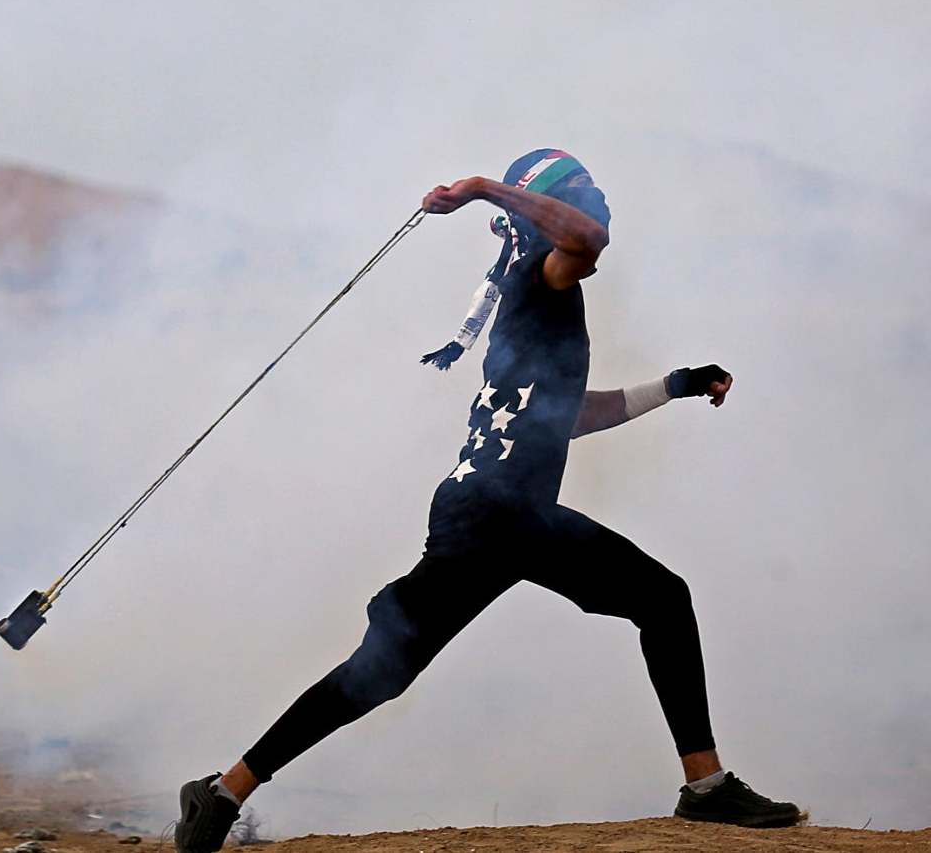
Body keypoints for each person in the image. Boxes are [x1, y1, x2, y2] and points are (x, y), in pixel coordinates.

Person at [173, 150, 800, 851]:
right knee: (663, 598)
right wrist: (483, 190)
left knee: (379, 673)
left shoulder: (532, 302)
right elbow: (588, 242)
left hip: (485, 515)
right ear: (546, 214)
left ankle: (221, 793)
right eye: (580, 196)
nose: (598, 207)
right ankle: (707, 789)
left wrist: (675, 385)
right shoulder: (544, 275)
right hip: (504, 511)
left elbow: (569, 415)